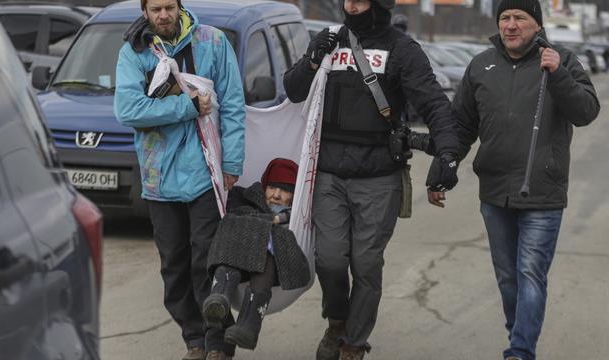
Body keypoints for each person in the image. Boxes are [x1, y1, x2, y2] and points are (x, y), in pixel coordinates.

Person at [284, 0, 460, 359]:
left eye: (361, 0)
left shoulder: (402, 49)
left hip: (379, 176)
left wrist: (448, 153)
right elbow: (293, 90)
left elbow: (433, 103)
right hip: (329, 174)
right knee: (330, 259)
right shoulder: (329, 40)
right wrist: (312, 60)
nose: (352, 5)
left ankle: (353, 342)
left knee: (366, 263)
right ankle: (337, 322)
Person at [427, 1, 600, 359]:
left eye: (519, 17)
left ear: (537, 24)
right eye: (504, 17)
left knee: (530, 273)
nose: (510, 25)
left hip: (543, 191)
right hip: (494, 192)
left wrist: (559, 76)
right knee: (508, 278)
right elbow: (461, 126)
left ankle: (520, 351)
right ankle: (517, 334)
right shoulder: (481, 65)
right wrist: (445, 165)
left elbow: (586, 111)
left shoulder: (561, 59)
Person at [113, 0, 245, 359]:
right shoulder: (135, 52)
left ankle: (217, 343)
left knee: (206, 262)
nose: (163, 15)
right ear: (144, 12)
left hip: (206, 173)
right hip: (159, 178)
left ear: (179, 6)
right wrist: (186, 107)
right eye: (155, 9)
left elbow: (232, 103)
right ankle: (194, 340)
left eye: (169, 7)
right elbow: (127, 110)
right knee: (173, 266)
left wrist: (232, 161)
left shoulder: (213, 42)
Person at [202, 158, 310, 351]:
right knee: (230, 242)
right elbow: (233, 215)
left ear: (294, 196)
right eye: (272, 188)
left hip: (270, 268)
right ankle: (219, 298)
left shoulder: (297, 215)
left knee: (266, 262)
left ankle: (248, 327)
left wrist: (280, 219)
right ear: (264, 187)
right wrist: (272, 220)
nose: (276, 195)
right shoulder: (245, 197)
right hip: (235, 258)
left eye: (285, 190)